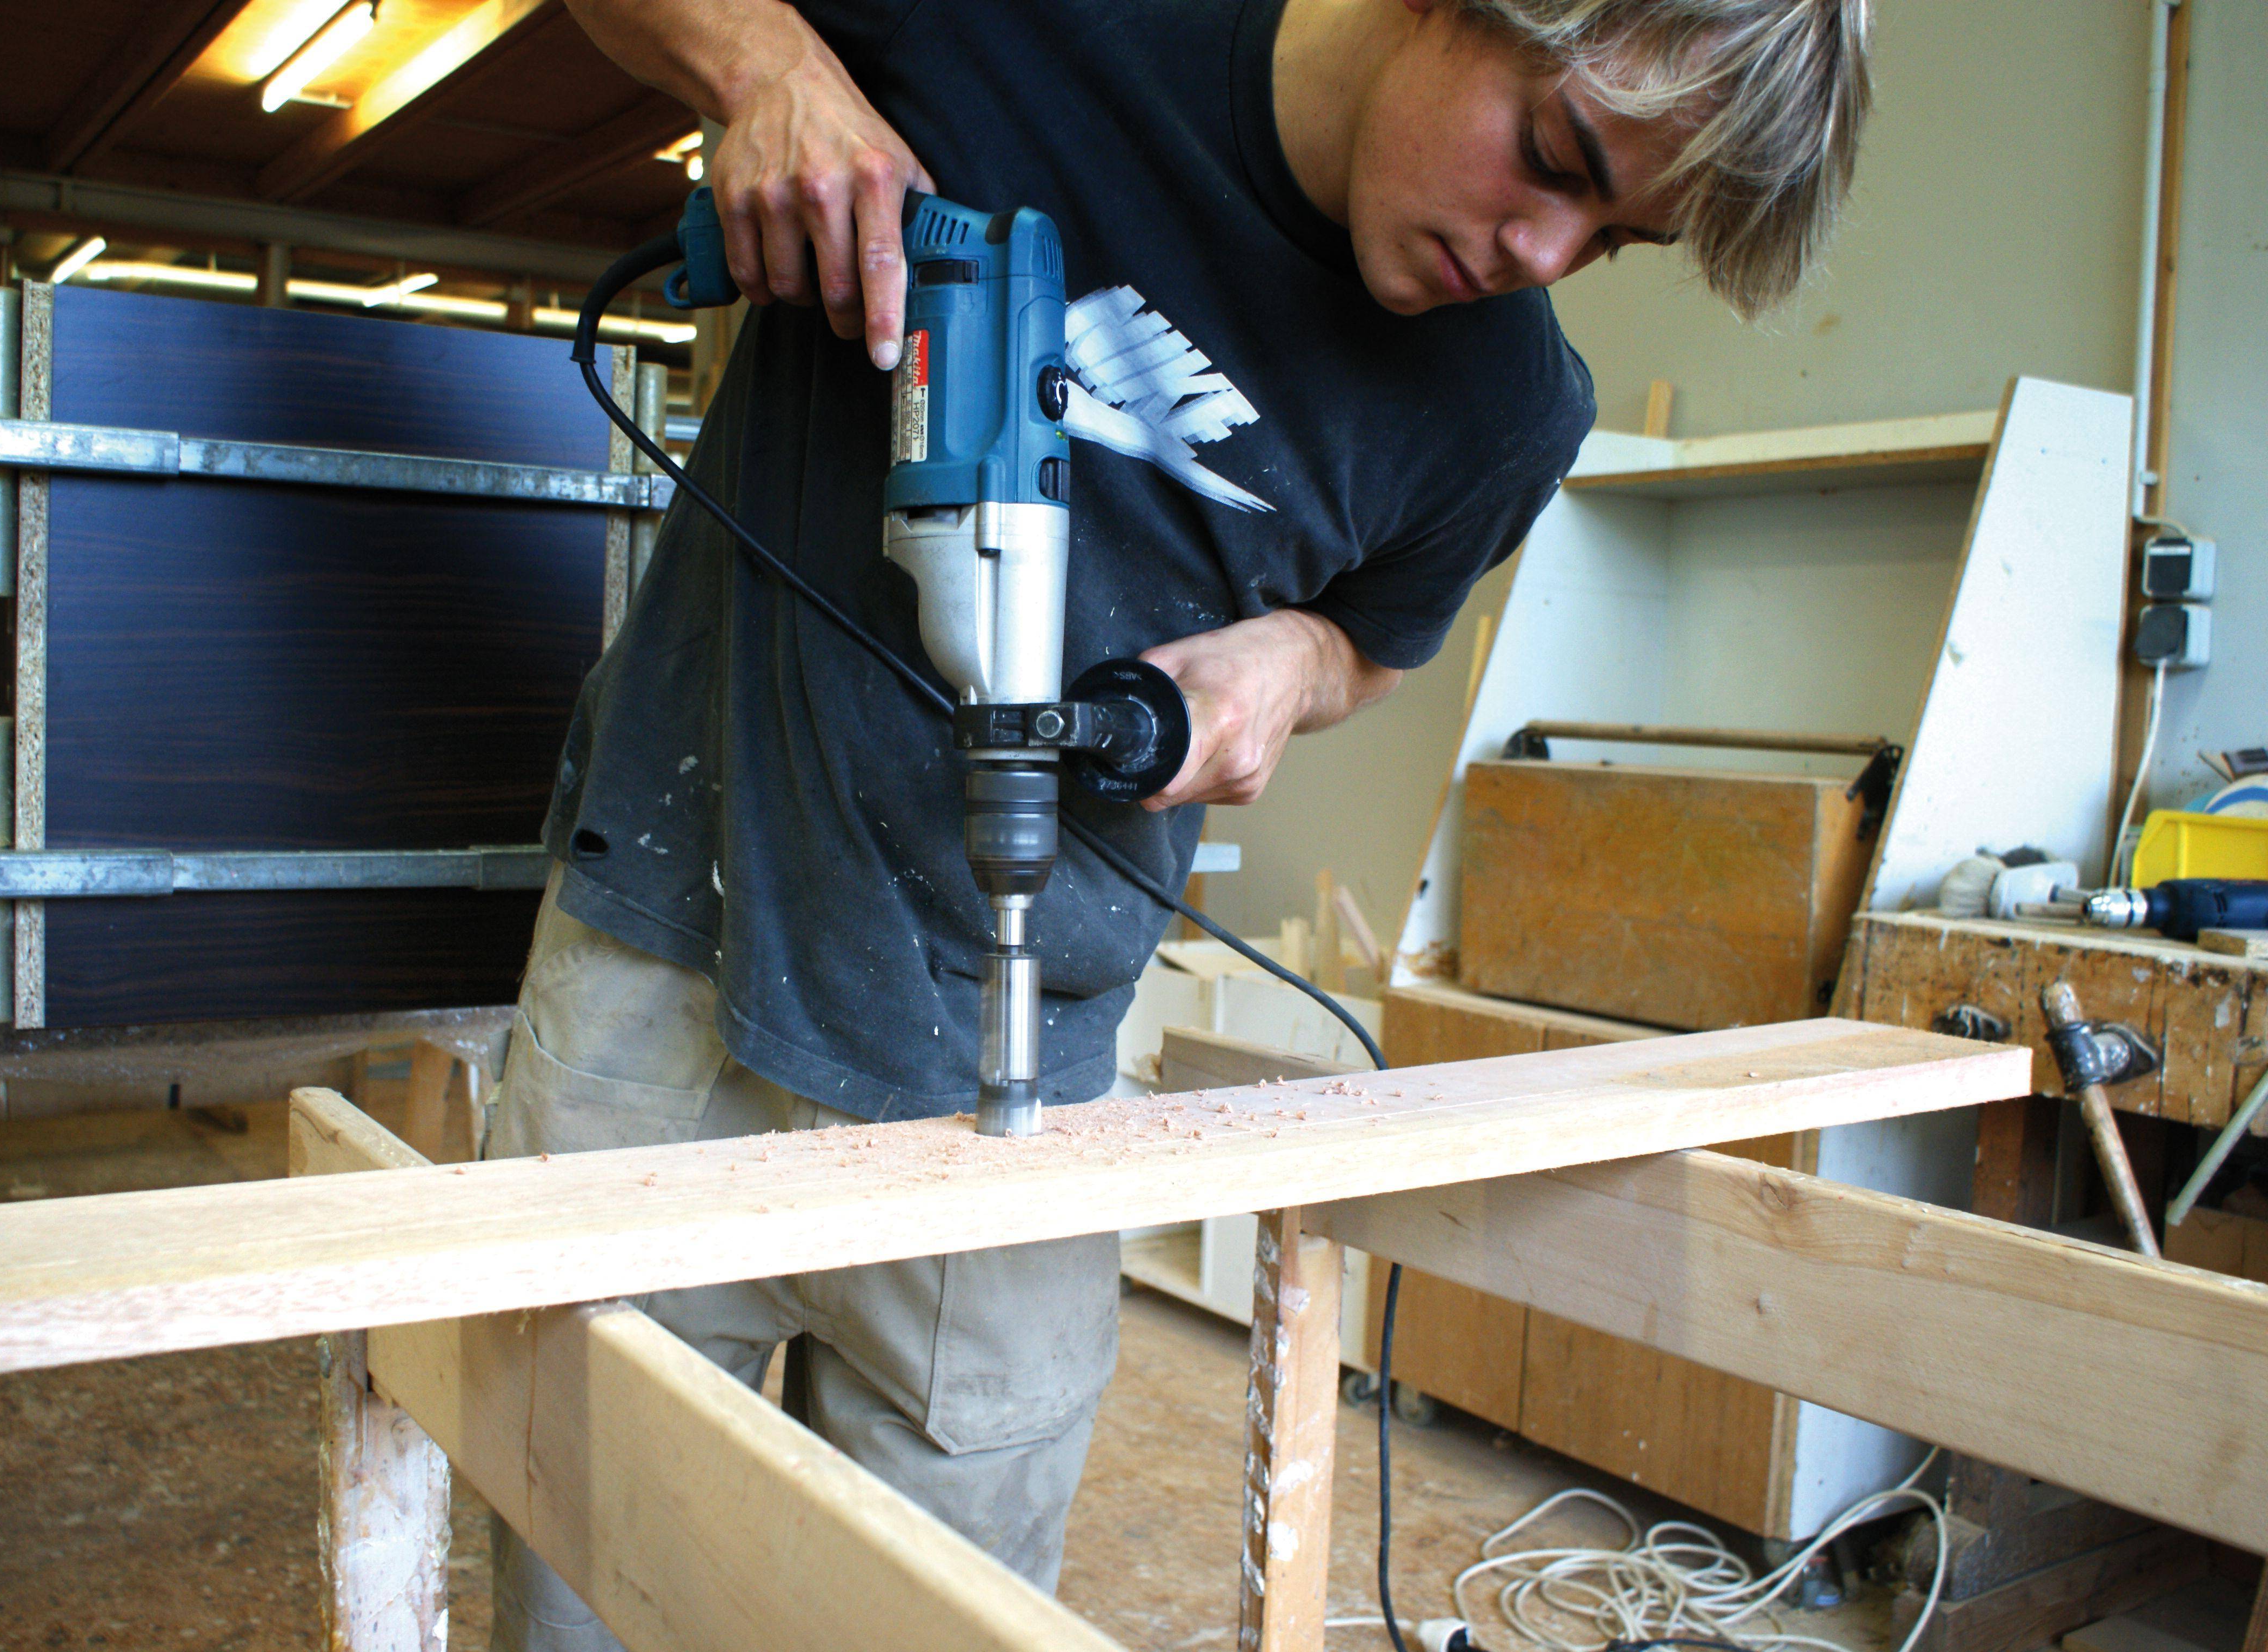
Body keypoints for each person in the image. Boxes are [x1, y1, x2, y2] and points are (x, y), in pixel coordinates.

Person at [491, 0, 1871, 1643]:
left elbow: (1375, 638)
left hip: (1025, 1056)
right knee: (574, 1568)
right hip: (674, 941)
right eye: (1556, 154)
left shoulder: (1508, 413)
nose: (1540, 249)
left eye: (1611, 238)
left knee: (940, 1614)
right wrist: (765, 67)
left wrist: (1294, 658)